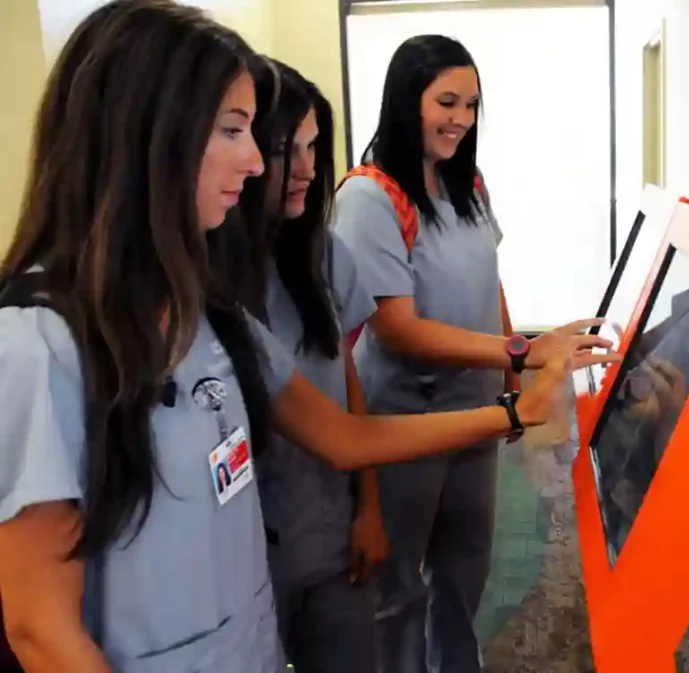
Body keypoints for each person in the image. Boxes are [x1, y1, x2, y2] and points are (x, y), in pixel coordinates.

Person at [0, 4, 610, 673]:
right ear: (147, 134)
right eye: (233, 129)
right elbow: (40, 629)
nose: (259, 160)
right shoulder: (37, 344)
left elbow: (345, 435)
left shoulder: (209, 312)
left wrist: (514, 410)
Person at [333, 34, 607, 673]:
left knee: (463, 573)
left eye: (472, 105)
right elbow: (400, 328)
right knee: (397, 586)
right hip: (407, 422)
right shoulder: (369, 197)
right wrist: (528, 350)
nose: (460, 119)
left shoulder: (469, 183)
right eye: (447, 102)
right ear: (409, 101)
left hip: (478, 416)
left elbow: (491, 281)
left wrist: (513, 372)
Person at [235, 57, 386, 672]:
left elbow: (346, 380)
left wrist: (370, 508)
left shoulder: (322, 254)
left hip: (327, 531)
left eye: (313, 147)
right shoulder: (202, 281)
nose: (306, 169)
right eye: (284, 149)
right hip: (246, 560)